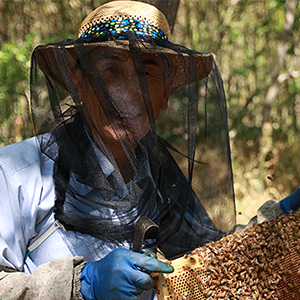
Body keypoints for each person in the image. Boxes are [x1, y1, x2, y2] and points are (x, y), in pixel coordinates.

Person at [0, 1, 299, 299]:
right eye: (110, 70)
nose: (129, 93)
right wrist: (80, 285)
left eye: (145, 74)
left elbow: (211, 263)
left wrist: (277, 222)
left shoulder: (161, 179)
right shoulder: (16, 173)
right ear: (79, 84)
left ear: (166, 91)